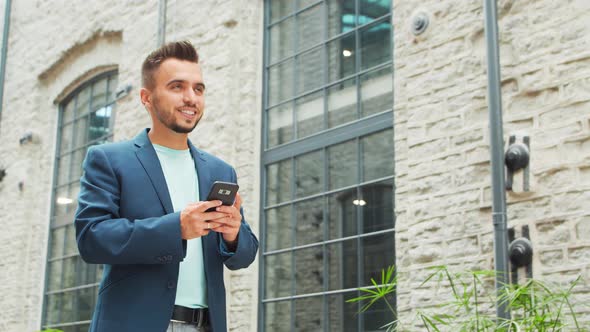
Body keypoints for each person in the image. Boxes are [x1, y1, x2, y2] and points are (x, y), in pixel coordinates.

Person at [75, 40, 258, 332]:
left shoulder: (220, 170)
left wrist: (235, 234)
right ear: (146, 98)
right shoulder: (109, 160)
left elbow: (243, 257)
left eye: (198, 89)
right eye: (177, 87)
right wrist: (177, 229)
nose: (191, 98)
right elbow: (91, 238)